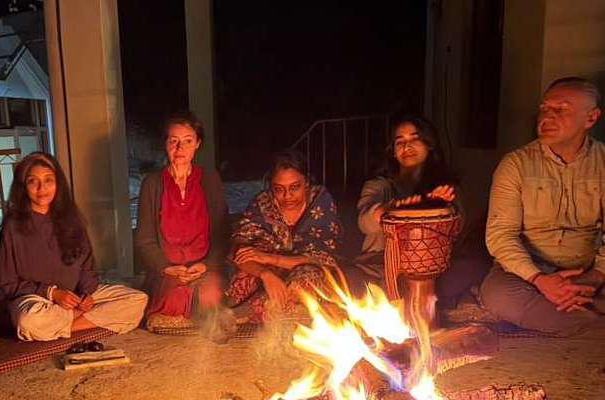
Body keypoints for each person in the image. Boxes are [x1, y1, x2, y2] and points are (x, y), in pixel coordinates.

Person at [481, 77, 605, 336]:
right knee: (498, 295)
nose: (547, 117)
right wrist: (540, 280)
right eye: (544, 109)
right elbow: (500, 236)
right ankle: (591, 324)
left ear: (591, 118)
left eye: (560, 109)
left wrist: (594, 277)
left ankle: (571, 316)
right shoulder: (515, 164)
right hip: (529, 274)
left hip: (590, 272)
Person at [0, 152, 148, 341]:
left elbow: (87, 265)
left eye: (48, 180)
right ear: (23, 187)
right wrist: (52, 293)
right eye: (33, 181)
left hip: (74, 296)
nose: (41, 188)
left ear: (58, 184)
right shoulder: (13, 226)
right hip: (38, 300)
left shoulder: (71, 219)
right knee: (28, 321)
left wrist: (86, 295)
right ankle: (75, 322)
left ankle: (62, 327)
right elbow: (7, 284)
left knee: (137, 300)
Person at [352, 115, 489, 308]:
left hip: (432, 267)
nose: (407, 147)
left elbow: (457, 226)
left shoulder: (444, 188)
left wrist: (435, 206)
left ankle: (424, 300)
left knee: (474, 267)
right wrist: (393, 210)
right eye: (400, 142)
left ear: (429, 145)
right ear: (393, 152)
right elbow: (364, 222)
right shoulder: (379, 186)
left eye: (415, 139)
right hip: (381, 265)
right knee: (364, 285)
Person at [133, 111, 231, 335]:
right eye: (173, 141)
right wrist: (166, 267)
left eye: (187, 141)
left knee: (211, 296)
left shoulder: (210, 179)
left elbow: (222, 233)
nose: (180, 149)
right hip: (169, 270)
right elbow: (145, 238)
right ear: (165, 144)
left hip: (204, 266)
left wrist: (206, 265)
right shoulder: (153, 183)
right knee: (172, 302)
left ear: (197, 144)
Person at [226, 151, 342, 322]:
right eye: (279, 189)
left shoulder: (320, 202)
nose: (287, 196)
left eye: (295, 187)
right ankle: (259, 310)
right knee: (246, 275)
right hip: (267, 273)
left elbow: (320, 258)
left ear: (307, 182)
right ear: (271, 186)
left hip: (304, 270)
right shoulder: (263, 203)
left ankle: (254, 310)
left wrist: (269, 258)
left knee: (308, 278)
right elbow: (240, 252)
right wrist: (265, 274)